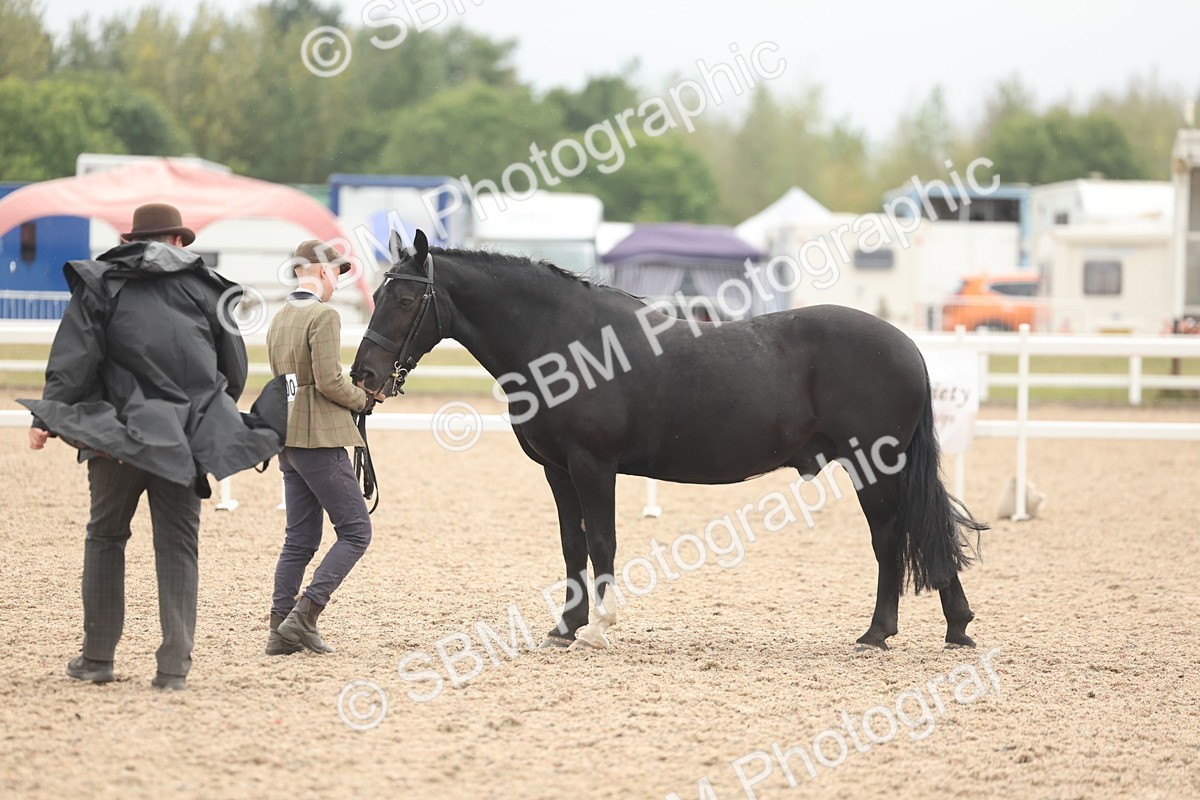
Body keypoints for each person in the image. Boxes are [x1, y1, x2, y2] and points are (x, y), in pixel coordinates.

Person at [22, 202, 285, 691]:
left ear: (131, 241)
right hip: (182, 441)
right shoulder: (209, 288)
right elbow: (234, 373)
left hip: (114, 439)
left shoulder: (101, 282)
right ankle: (172, 670)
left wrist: (48, 416)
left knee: (105, 538)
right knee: (178, 548)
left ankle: (98, 659)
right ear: (179, 242)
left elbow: (74, 360)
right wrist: (203, 418)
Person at [265, 239, 379, 656]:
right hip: (320, 438)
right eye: (336, 274)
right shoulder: (323, 315)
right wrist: (363, 399)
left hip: (289, 437)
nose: (337, 284)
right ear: (319, 271)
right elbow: (330, 380)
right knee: (356, 531)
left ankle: (280, 629)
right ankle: (304, 617)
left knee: (300, 539)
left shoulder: (280, 317)